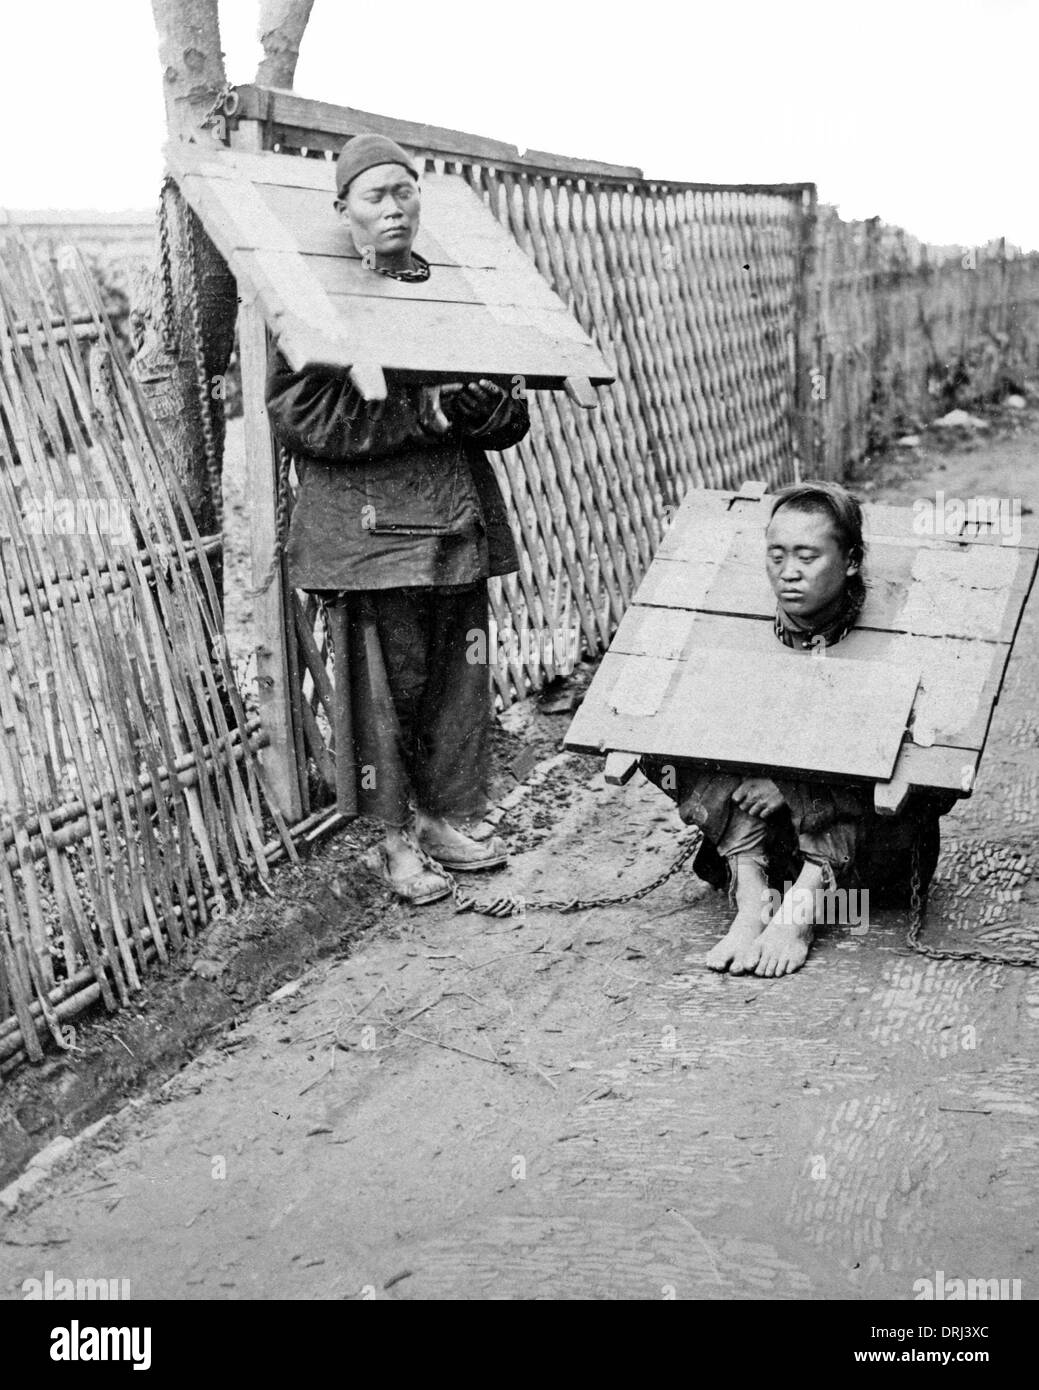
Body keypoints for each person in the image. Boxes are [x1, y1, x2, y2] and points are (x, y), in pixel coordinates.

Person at [264, 134, 530, 905]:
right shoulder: (308, 296)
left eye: (405, 191)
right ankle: (392, 841)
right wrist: (425, 410)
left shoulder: (448, 291)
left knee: (454, 686)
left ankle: (445, 818)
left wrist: (488, 407)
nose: (394, 207)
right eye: (376, 195)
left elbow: (502, 413)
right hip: (370, 537)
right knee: (383, 693)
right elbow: (307, 418)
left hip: (450, 527)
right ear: (341, 209)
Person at [642, 480, 955, 978]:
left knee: (897, 760)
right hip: (764, 847)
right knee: (659, 725)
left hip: (867, 870)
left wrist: (790, 785)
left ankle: (800, 913)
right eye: (776, 555)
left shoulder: (914, 634)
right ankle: (751, 902)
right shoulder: (736, 633)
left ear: (851, 561)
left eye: (807, 557)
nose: (788, 573)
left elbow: (941, 781)